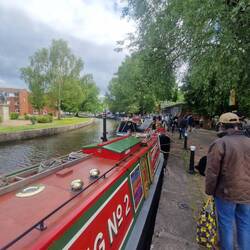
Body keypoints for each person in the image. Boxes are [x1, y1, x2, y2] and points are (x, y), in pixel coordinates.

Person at [205, 112, 250, 250]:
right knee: (245, 224)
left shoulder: (220, 143)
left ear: (222, 126)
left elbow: (212, 172)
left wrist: (209, 191)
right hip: (247, 193)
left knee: (226, 225)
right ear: (237, 126)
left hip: (226, 193)